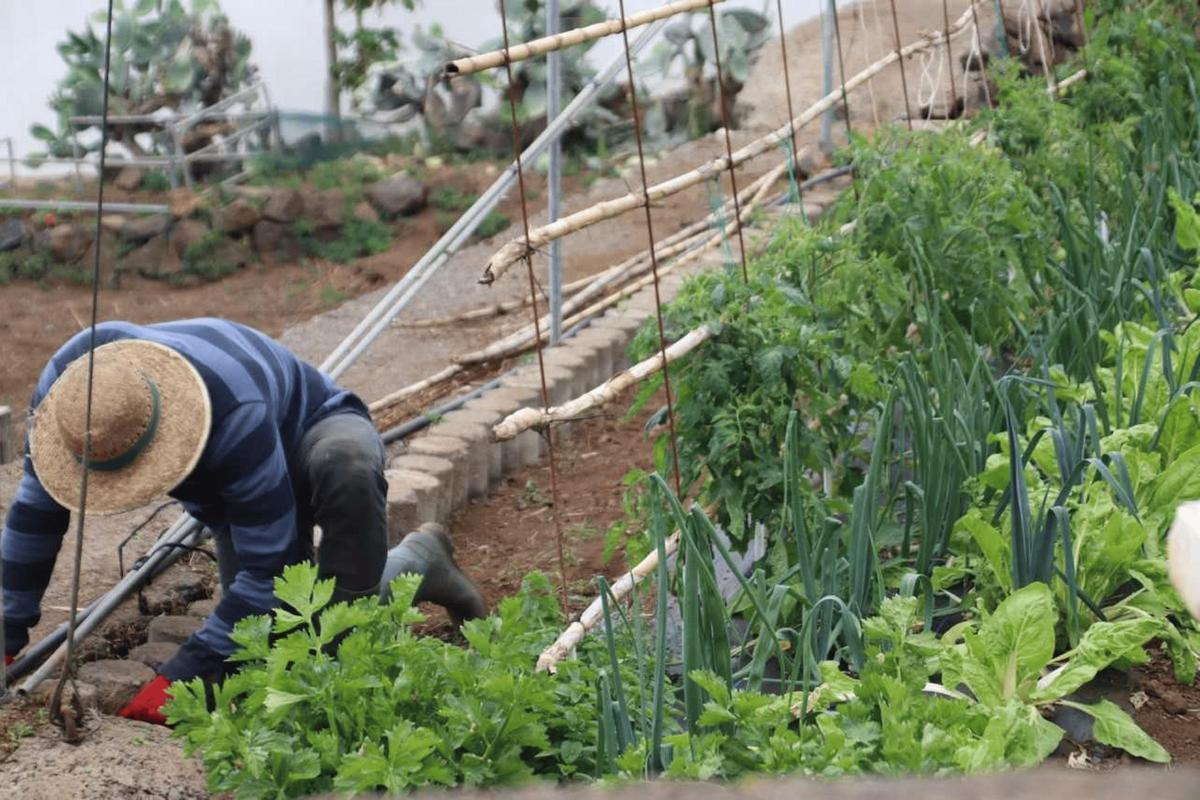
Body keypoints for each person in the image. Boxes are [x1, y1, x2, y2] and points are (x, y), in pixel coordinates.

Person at [1, 318, 486, 723]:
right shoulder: (70, 399)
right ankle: (416, 563)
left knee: (329, 610)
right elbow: (35, 516)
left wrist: (182, 677)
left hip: (311, 427)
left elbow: (266, 573)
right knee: (271, 643)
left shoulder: (230, 410)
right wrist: (5, 633)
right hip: (235, 481)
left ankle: (419, 563)